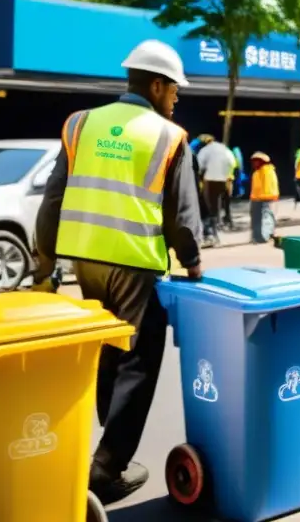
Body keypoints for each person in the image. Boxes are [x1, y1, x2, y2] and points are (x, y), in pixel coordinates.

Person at [31, 40, 203, 503]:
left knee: (103, 350)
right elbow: (181, 215)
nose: (177, 98)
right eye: (175, 90)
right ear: (156, 84)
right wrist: (193, 262)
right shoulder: (170, 136)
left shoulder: (80, 124)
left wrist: (44, 262)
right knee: (140, 361)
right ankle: (106, 469)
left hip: (85, 261)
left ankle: (103, 438)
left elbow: (53, 199)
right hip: (135, 263)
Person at [196, 134, 236, 245]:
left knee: (210, 208)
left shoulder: (205, 150)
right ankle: (221, 224)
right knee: (221, 204)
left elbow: (199, 165)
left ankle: (211, 233)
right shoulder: (225, 149)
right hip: (225, 180)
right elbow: (232, 163)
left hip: (210, 181)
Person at [249, 151, 279, 243]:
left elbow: (268, 187)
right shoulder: (257, 172)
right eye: (253, 161)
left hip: (264, 198)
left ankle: (264, 236)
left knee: (265, 218)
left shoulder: (267, 171)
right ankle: (257, 236)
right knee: (256, 218)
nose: (254, 163)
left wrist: (261, 198)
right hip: (257, 198)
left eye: (256, 161)